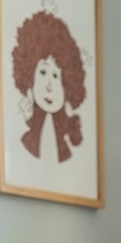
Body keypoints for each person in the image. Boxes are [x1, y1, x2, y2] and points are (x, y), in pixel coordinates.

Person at [11, 10, 86, 163]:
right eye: (43, 72)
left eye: (56, 76)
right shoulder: (26, 141)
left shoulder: (65, 147)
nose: (49, 86)